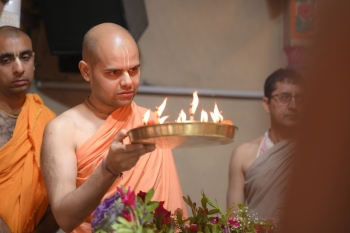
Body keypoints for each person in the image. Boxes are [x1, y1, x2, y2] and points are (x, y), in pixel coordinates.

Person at [41, 22, 187, 233]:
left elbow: (171, 206)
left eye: (134, 70)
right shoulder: (62, 130)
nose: (128, 81)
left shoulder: (149, 121)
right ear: (86, 71)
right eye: (114, 73)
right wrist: (109, 168)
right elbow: (65, 218)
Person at [0, 26, 58, 233]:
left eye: (25, 57)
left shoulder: (48, 121)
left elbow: (60, 198)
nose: (19, 68)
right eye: (6, 60)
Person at [226, 68, 304, 219]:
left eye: (300, 99)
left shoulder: (317, 152)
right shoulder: (244, 154)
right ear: (266, 104)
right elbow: (233, 220)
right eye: (284, 97)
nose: (293, 106)